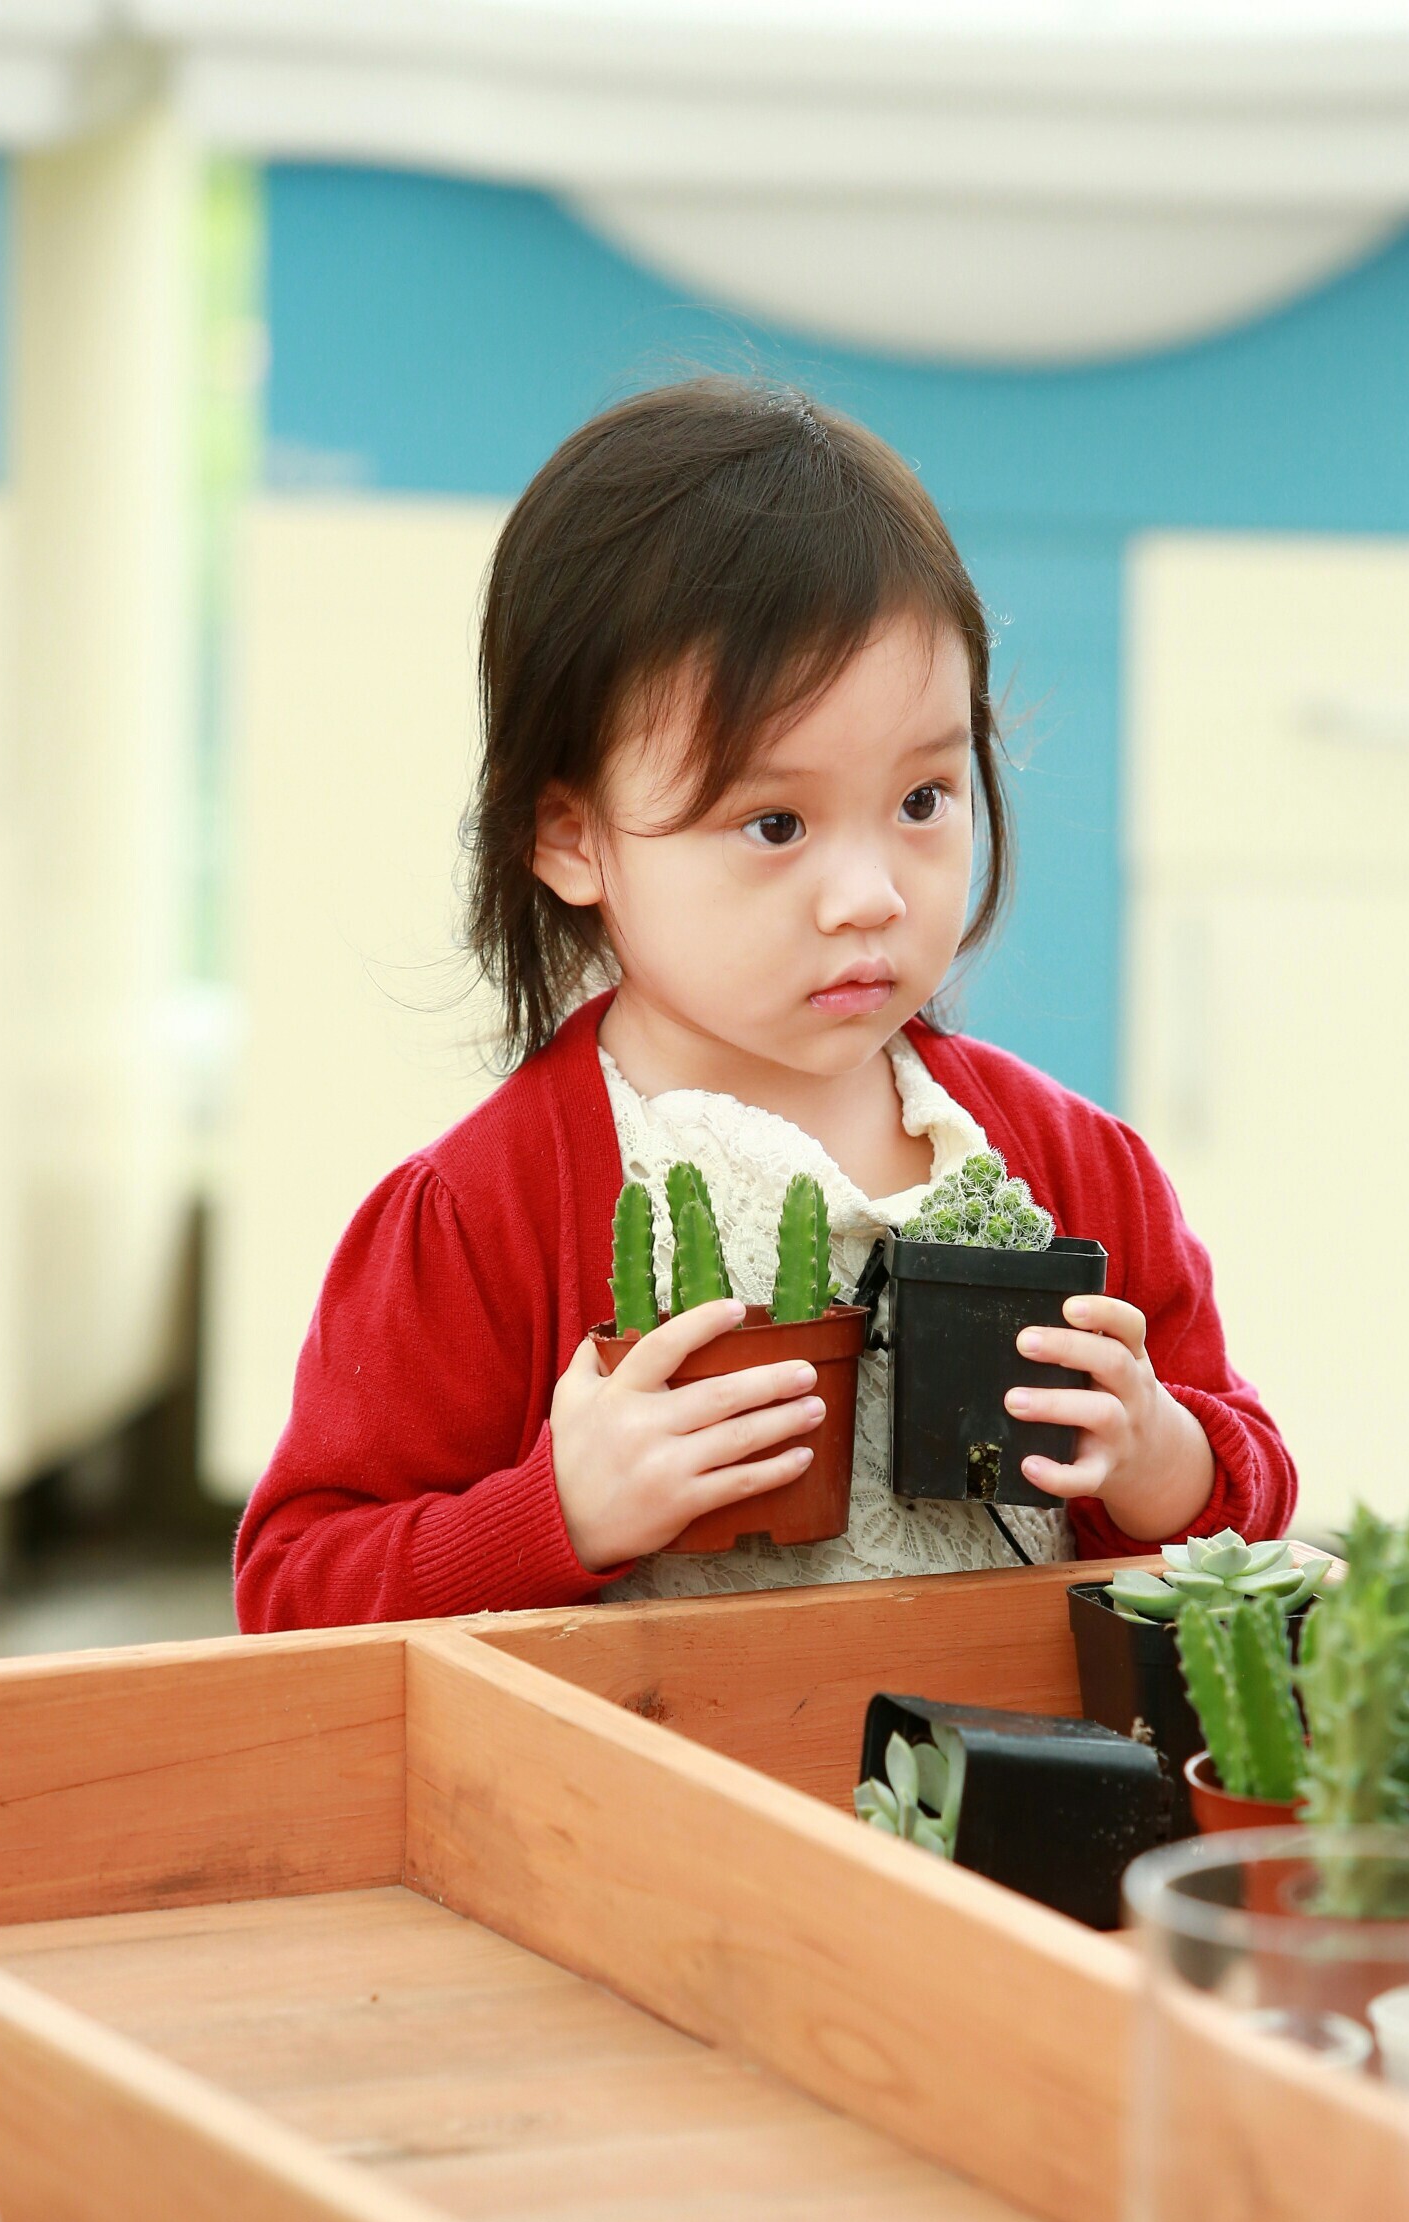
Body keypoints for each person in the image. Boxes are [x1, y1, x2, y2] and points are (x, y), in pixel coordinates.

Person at [234, 379, 1294, 1631]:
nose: (868, 896)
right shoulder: (484, 1214)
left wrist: (1165, 1461)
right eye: (775, 823)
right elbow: (294, 1596)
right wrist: (558, 1511)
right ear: (571, 835)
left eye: (922, 801)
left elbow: (1250, 1491)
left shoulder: (1077, 1166)